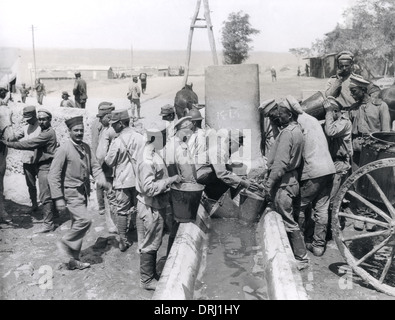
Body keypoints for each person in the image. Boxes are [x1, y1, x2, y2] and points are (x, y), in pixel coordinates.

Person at [49, 116, 109, 270]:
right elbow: (53, 175)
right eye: (76, 130)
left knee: (77, 224)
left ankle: (72, 261)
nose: (79, 133)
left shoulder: (86, 148)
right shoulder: (64, 149)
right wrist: (58, 198)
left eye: (81, 130)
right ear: (69, 132)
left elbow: (95, 166)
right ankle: (65, 243)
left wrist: (101, 179)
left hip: (83, 192)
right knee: (85, 220)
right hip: (70, 193)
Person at [286, 95, 336, 257]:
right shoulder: (313, 120)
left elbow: (295, 154)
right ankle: (319, 246)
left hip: (313, 171)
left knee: (299, 206)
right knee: (322, 208)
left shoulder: (297, 125)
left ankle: (299, 242)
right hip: (328, 168)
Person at [262, 97, 308, 270]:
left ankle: (301, 258)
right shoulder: (297, 130)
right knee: (290, 218)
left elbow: (280, 164)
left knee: (288, 221)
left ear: (289, 115)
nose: (278, 117)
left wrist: (268, 185)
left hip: (284, 184)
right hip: (292, 180)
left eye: (281, 114)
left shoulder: (288, 133)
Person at [135, 128, 181, 290]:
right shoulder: (148, 159)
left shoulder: (154, 152)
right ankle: (146, 280)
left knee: (155, 239)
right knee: (151, 241)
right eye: (164, 137)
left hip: (156, 204)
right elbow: (149, 188)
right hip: (150, 205)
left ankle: (151, 274)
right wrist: (170, 180)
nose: (166, 140)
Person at [348, 76, 391, 231]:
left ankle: (371, 215)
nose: (351, 94)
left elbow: (386, 133)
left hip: (376, 151)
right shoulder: (353, 108)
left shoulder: (381, 106)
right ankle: (360, 214)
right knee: (358, 181)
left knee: (375, 183)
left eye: (354, 91)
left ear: (363, 89)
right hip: (358, 150)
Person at [4, 109, 58, 233]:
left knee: (45, 195)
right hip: (40, 164)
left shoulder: (47, 133)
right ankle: (54, 216)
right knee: (43, 191)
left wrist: (8, 144)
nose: (41, 121)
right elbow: (18, 137)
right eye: (40, 119)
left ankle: (48, 224)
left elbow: (29, 144)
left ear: (49, 120)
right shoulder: (44, 130)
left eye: (44, 119)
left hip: (45, 165)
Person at [105, 109, 144, 252]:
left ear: (121, 123)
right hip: (139, 180)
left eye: (114, 124)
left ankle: (123, 241)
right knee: (140, 210)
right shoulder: (140, 137)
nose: (112, 127)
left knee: (122, 211)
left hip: (122, 181)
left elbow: (109, 162)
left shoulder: (117, 141)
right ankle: (142, 241)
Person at [323, 97, 353, 236]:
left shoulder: (344, 123)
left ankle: (334, 229)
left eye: (330, 112)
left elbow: (330, 132)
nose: (328, 115)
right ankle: (332, 226)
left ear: (336, 111)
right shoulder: (335, 122)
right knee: (329, 197)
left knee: (334, 199)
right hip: (332, 163)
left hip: (340, 164)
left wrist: (328, 112)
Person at [12, 106, 41, 211]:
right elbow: (16, 136)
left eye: (29, 118)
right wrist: (8, 138)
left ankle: (50, 207)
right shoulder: (25, 128)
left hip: (39, 161)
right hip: (27, 160)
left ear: (34, 116)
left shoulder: (41, 127)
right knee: (30, 184)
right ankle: (34, 204)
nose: (27, 121)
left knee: (44, 185)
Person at [95, 103, 118, 233]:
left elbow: (101, 154)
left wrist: (96, 169)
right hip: (119, 171)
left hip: (109, 170)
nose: (99, 119)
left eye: (101, 117)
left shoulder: (108, 131)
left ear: (108, 117)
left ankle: (113, 225)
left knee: (110, 198)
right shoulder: (117, 128)